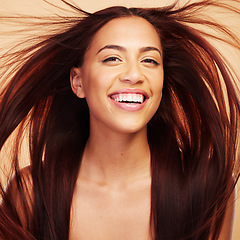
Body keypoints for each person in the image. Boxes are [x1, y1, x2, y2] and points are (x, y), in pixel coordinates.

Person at [0, 0, 240, 239]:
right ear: (78, 81)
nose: (134, 75)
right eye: (112, 58)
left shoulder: (208, 185)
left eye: (149, 61)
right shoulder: (30, 194)